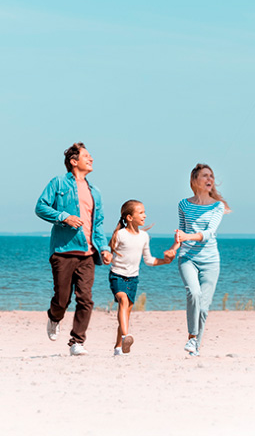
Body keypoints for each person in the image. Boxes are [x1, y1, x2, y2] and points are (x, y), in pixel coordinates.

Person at [35, 142, 112, 356]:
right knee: (62, 298)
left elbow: (97, 224)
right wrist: (64, 217)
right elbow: (40, 207)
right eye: (87, 156)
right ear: (74, 161)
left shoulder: (95, 191)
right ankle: (54, 316)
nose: (92, 159)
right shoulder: (58, 183)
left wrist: (104, 248)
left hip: (88, 253)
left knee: (85, 298)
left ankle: (77, 342)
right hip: (62, 250)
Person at [168, 164, 230, 357]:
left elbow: (209, 233)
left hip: (211, 261)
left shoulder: (217, 206)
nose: (209, 178)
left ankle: (195, 346)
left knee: (204, 306)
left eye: (211, 175)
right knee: (193, 293)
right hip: (187, 258)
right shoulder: (183, 204)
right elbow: (181, 231)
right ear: (195, 180)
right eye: (204, 176)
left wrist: (187, 237)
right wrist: (173, 248)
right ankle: (192, 337)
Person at [109, 199, 175, 356]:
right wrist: (105, 256)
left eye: (144, 212)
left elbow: (149, 260)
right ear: (129, 217)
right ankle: (126, 336)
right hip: (117, 275)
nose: (145, 215)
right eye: (141, 212)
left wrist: (165, 261)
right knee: (123, 301)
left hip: (133, 279)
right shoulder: (119, 235)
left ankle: (118, 347)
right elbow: (109, 256)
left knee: (125, 312)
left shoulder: (144, 236)